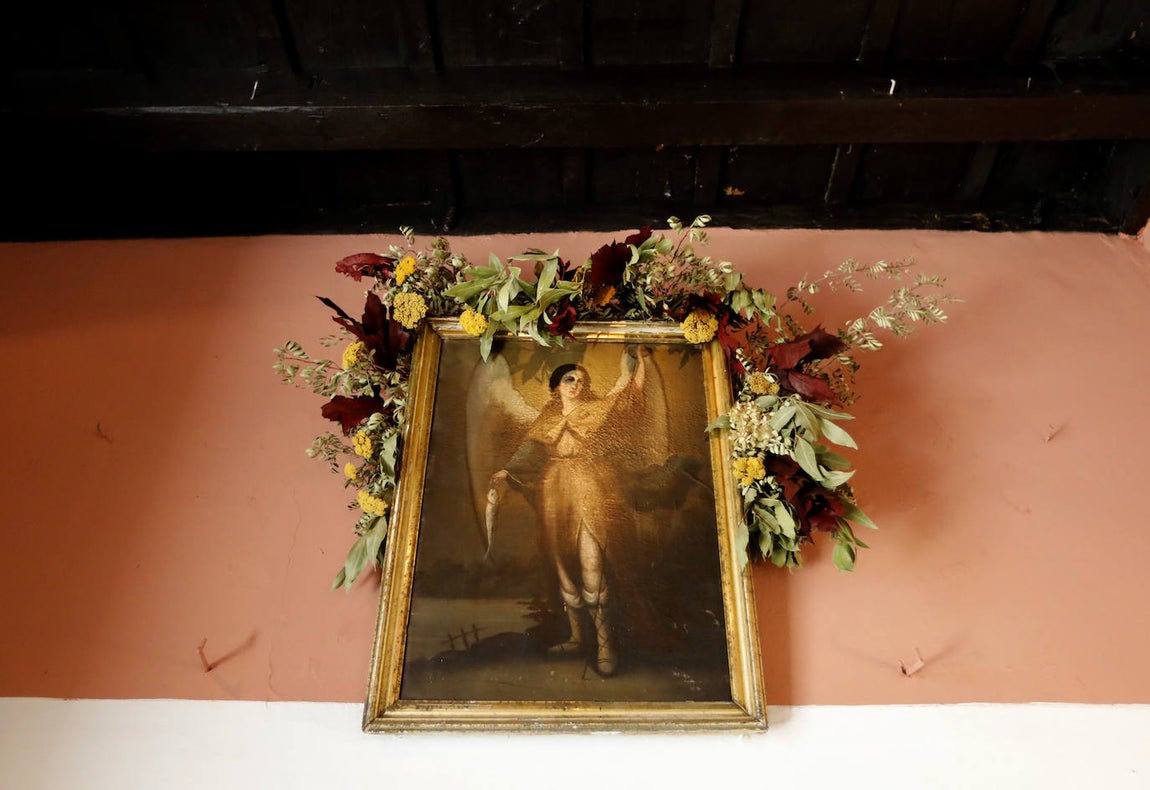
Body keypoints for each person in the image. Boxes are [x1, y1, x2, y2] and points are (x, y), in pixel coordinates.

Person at [489, 350, 649, 676]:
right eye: (569, 379)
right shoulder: (547, 417)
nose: (577, 385)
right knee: (562, 564)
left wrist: (642, 362)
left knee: (592, 564)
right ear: (556, 388)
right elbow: (528, 449)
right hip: (554, 490)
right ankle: (577, 637)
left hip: (589, 485)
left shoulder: (596, 409)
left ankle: (605, 645)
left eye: (581, 381)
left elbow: (629, 396)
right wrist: (505, 472)